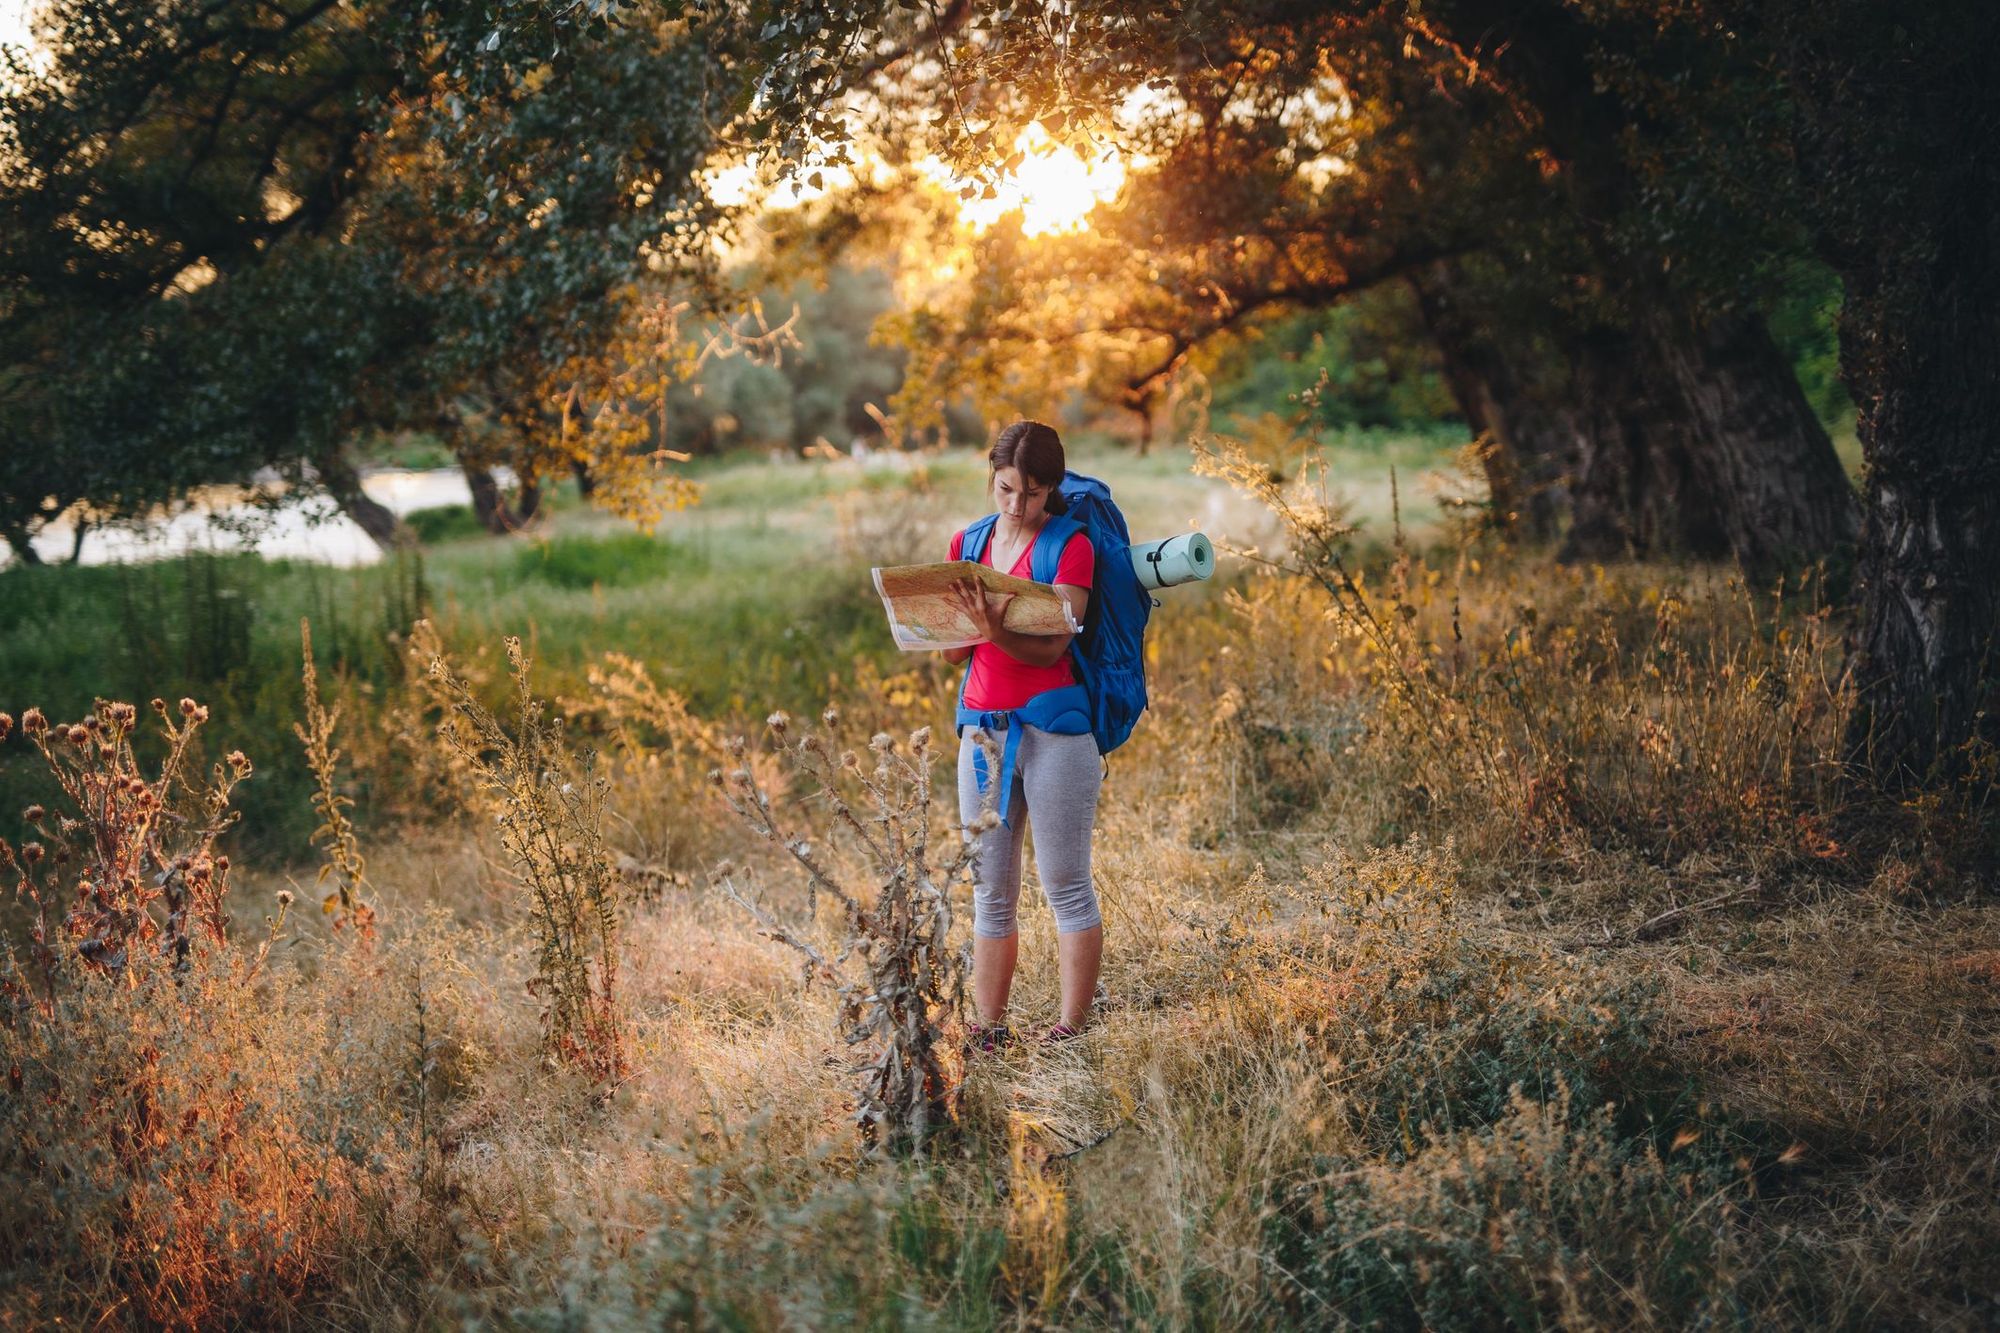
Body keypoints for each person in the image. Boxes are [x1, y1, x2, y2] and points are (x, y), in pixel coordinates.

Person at [945, 420, 1102, 1049]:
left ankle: (1070, 1028)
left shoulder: (1073, 546)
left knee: (1065, 883)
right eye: (1006, 489)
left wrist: (994, 628)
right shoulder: (968, 541)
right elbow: (954, 655)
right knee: (990, 890)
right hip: (980, 730)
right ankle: (988, 1030)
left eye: (1033, 494)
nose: (1017, 505)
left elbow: (1052, 648)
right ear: (993, 479)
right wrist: (939, 624)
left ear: (1052, 489)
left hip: (1056, 731)